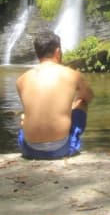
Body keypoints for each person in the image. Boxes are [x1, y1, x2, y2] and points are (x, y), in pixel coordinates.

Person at [16, 31, 94, 159]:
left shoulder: (21, 80)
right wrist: (71, 106)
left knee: (25, 115)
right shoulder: (72, 74)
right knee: (82, 102)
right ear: (58, 52)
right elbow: (89, 96)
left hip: (28, 149)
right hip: (61, 149)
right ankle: (69, 141)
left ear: (37, 54)